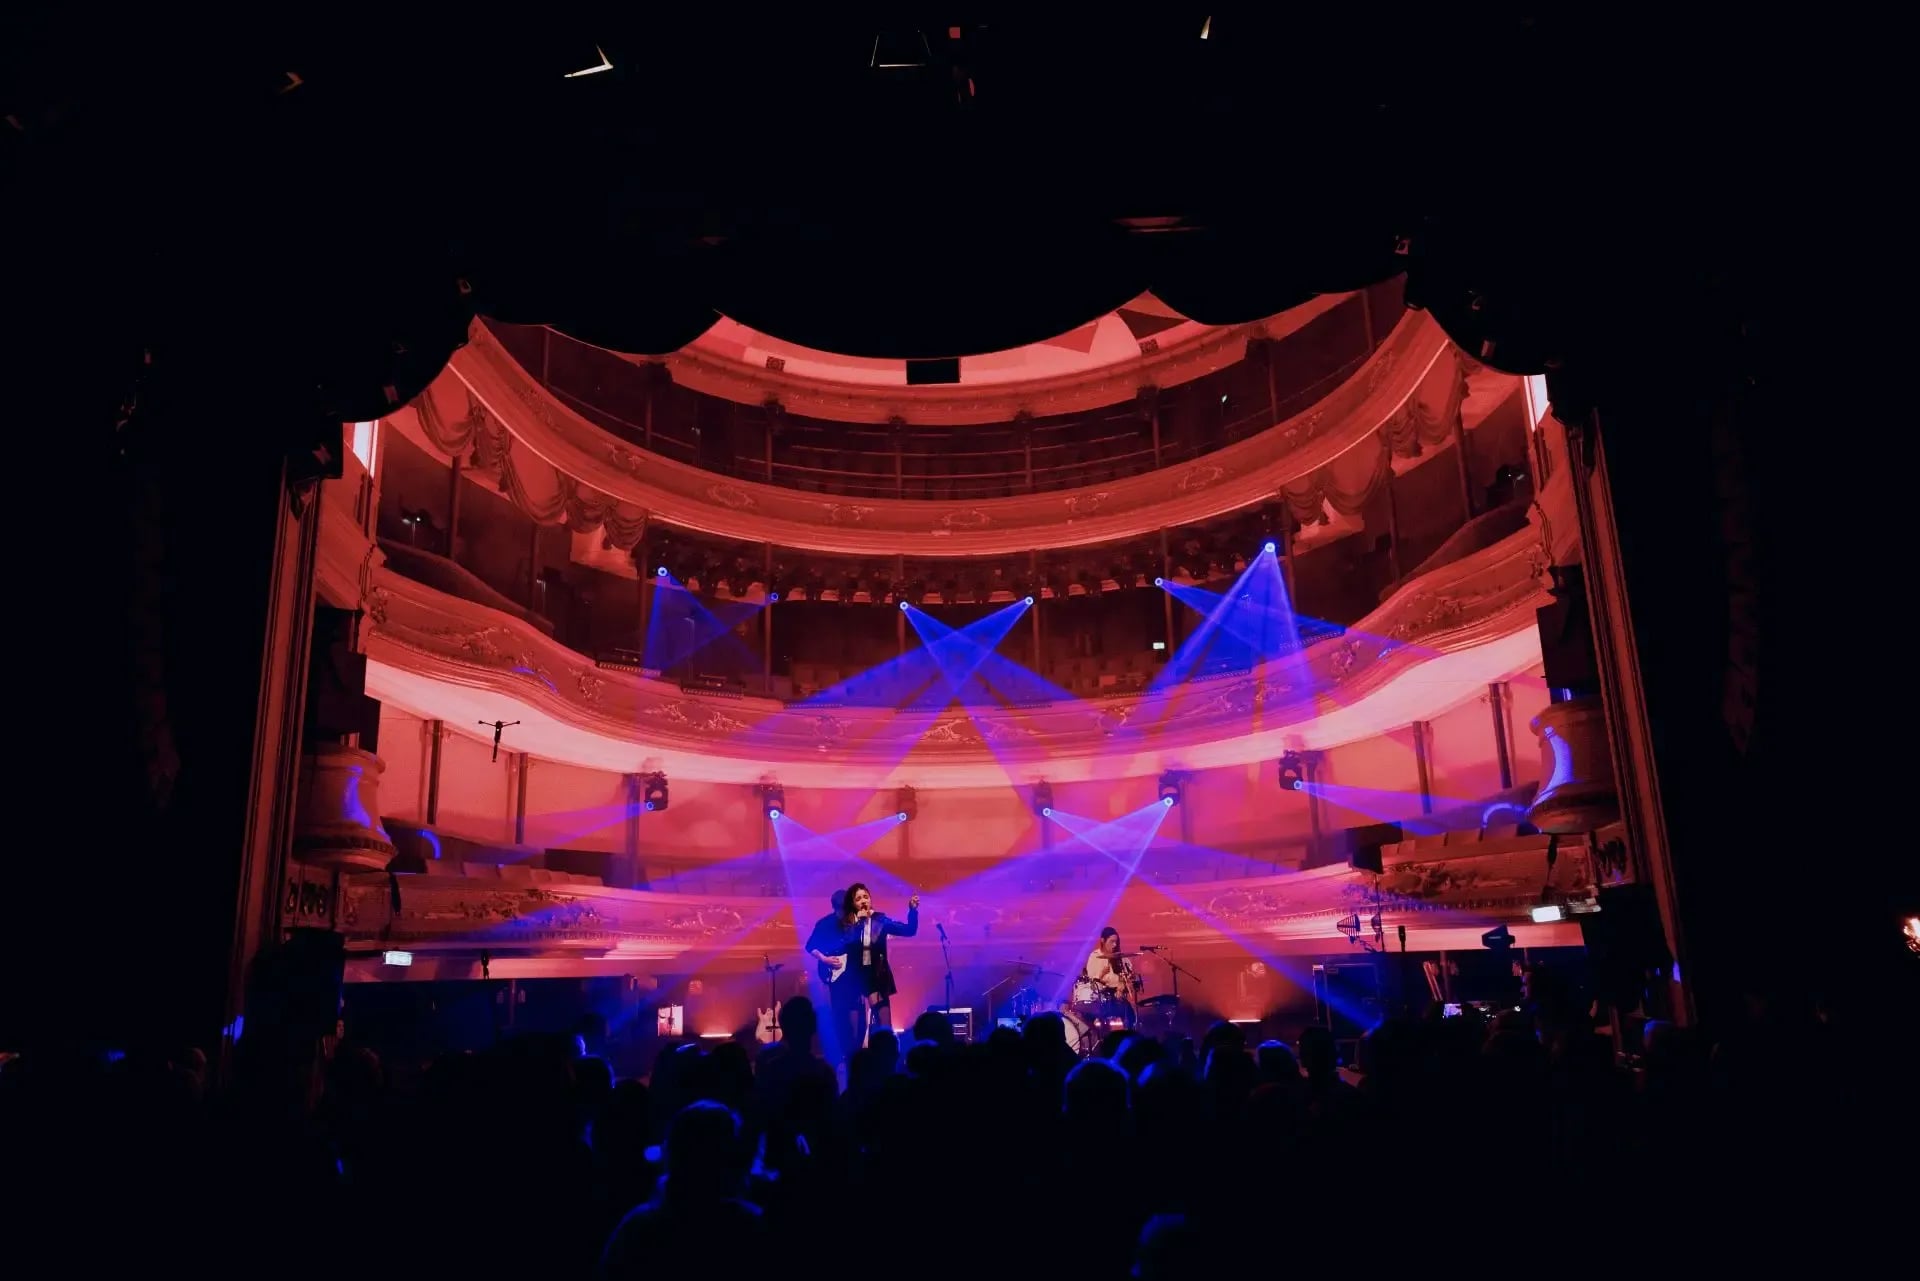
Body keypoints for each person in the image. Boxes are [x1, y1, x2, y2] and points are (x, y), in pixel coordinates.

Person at [835, 882, 919, 1053]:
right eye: (858, 898)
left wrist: (912, 910)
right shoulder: (847, 925)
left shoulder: (880, 921)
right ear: (853, 904)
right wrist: (859, 922)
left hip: (876, 977)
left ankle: (887, 1057)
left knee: (884, 1023)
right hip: (855, 979)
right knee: (855, 1028)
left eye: (865, 896)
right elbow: (843, 945)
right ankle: (854, 1062)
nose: (863, 900)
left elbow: (910, 930)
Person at [805, 890, 858, 1064]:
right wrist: (825, 959)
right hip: (835, 975)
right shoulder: (825, 924)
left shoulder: (855, 923)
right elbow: (810, 946)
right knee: (840, 1013)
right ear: (837, 908)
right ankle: (844, 1052)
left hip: (853, 974)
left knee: (856, 1012)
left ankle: (856, 1050)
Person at [1084, 926, 1138, 1028]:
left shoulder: (1119, 957)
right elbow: (1091, 981)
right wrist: (1102, 974)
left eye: (1116, 942)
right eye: (1112, 941)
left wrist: (1123, 985)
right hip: (1102, 996)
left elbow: (1129, 974)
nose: (1114, 944)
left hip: (1118, 995)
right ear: (1103, 940)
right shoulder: (1095, 956)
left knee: (1130, 1016)